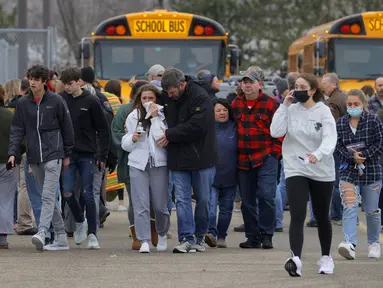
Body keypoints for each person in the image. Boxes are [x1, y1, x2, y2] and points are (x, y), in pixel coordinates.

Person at [270, 73, 337, 276]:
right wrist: (284, 106)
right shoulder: (289, 109)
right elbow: (275, 131)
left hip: (321, 169)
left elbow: (329, 138)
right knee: (298, 213)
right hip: (295, 167)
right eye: (295, 86)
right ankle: (295, 259)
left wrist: (318, 154)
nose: (298, 90)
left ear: (313, 90)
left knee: (322, 215)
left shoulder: (323, 111)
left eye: (302, 87)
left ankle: (326, 257)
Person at [8, 64, 75, 251]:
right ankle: (61, 237)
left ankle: (43, 231)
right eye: (31, 79)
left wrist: (67, 153)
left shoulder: (56, 101)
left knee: (47, 195)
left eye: (36, 80)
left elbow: (67, 128)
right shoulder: (23, 103)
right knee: (48, 198)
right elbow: (17, 130)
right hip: (33, 156)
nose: (33, 83)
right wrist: (13, 153)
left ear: (44, 81)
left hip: (54, 154)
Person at [159, 68, 217, 253]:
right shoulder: (166, 97)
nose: (170, 95)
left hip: (202, 156)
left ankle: (200, 237)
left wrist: (169, 134)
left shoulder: (201, 97)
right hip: (178, 157)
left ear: (182, 85)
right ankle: (186, 237)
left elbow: (197, 126)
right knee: (182, 200)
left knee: (202, 199)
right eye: (167, 92)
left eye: (172, 92)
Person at [60, 67, 110, 249]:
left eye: (70, 83)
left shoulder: (91, 101)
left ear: (79, 82)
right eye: (64, 84)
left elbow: (103, 130)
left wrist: (102, 155)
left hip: (88, 154)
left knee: (89, 194)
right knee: (67, 192)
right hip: (67, 155)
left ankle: (92, 234)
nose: (67, 87)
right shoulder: (61, 100)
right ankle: (80, 221)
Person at [231, 67, 281, 250]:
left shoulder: (271, 104)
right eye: (244, 82)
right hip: (243, 158)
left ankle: (267, 234)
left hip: (266, 157)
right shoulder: (235, 104)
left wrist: (276, 152)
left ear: (259, 84)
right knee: (247, 200)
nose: (247, 85)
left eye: (251, 82)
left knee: (267, 196)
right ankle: (252, 236)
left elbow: (281, 130)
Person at [121, 84, 170, 253]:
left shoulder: (163, 115)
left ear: (157, 99)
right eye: (144, 98)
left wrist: (155, 117)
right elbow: (125, 144)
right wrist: (132, 139)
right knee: (140, 204)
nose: (147, 101)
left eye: (151, 98)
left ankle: (162, 233)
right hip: (137, 164)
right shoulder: (133, 116)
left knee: (160, 205)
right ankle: (144, 240)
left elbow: (160, 139)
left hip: (159, 163)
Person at [335, 89, 383, 260]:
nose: (352, 107)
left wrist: (364, 156)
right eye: (349, 104)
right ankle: (349, 243)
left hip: (371, 171)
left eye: (356, 104)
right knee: (349, 205)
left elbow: (380, 143)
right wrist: (351, 157)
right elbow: (338, 146)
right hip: (348, 170)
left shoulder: (373, 120)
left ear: (363, 104)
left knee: (371, 211)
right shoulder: (340, 123)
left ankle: (374, 243)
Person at [205, 98, 237, 248]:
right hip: (211, 176)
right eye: (218, 111)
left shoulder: (235, 127)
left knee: (226, 209)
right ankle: (211, 233)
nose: (222, 113)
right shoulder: (207, 128)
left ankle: (221, 236)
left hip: (230, 175)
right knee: (210, 208)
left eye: (225, 110)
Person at [322, 73, 347, 226]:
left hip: (337, 145)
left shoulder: (333, 102)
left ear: (333, 85)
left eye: (325, 84)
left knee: (337, 181)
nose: (323, 86)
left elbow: (331, 125)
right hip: (345, 144)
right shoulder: (343, 96)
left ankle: (337, 214)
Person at [0, 84, 19, 249]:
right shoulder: (10, 116)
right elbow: (20, 137)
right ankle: (3, 237)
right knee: (5, 200)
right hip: (8, 163)